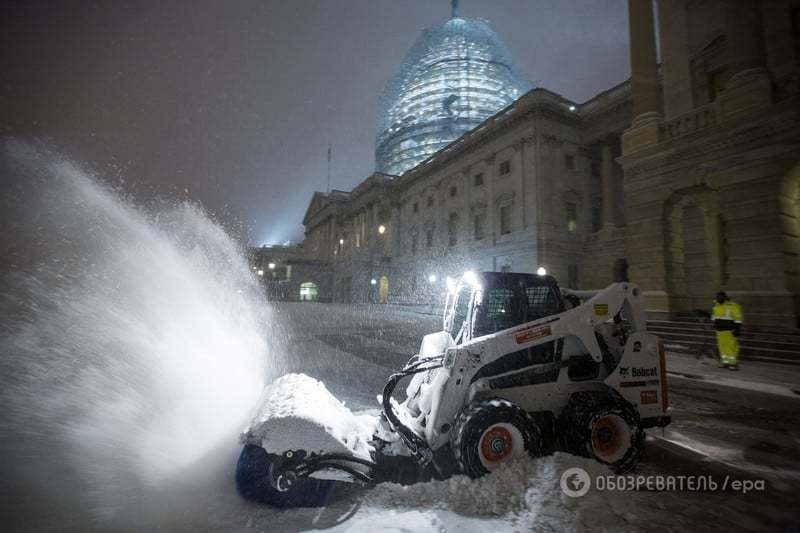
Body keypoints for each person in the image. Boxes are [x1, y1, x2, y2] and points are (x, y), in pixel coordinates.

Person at [711, 291, 743, 370]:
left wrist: (737, 329)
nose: (718, 298)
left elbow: (738, 318)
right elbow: (713, 318)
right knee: (722, 347)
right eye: (717, 296)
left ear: (725, 297)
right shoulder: (716, 307)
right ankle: (725, 362)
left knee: (731, 347)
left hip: (729, 331)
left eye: (720, 296)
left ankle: (733, 364)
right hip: (719, 331)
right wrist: (704, 314)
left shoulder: (732, 306)